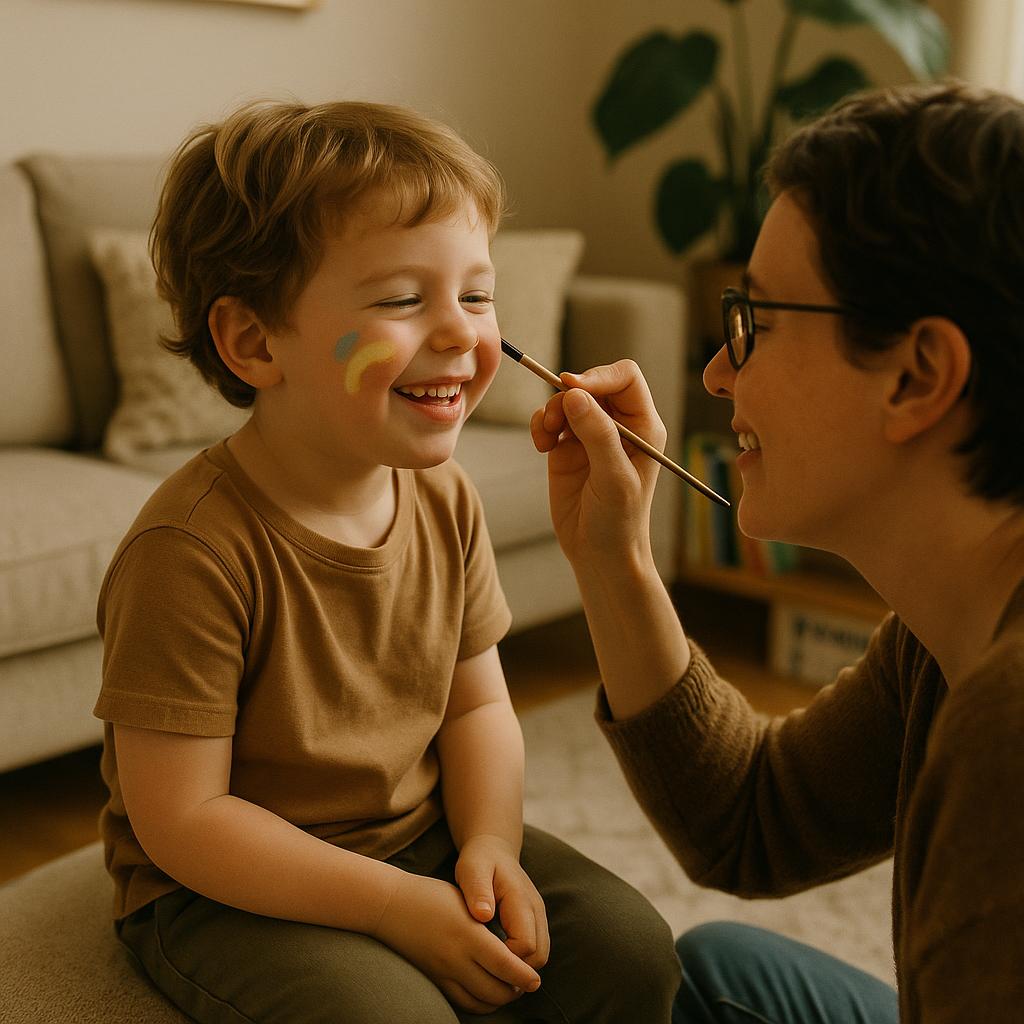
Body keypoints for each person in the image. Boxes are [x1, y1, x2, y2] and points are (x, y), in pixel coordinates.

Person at [92, 99, 681, 1024]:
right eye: (405, 300)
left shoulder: (445, 501)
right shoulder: (191, 550)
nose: (460, 333)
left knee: (630, 949)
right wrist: (394, 906)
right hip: (222, 889)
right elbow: (184, 822)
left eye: (477, 296)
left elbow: (477, 702)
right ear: (252, 342)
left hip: (420, 836)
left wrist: (489, 841)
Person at [529, 81, 1024, 1023]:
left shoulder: (1011, 725)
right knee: (724, 975)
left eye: (756, 322)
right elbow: (752, 822)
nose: (718, 371)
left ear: (917, 375)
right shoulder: (947, 629)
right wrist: (611, 555)